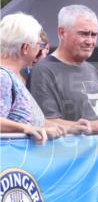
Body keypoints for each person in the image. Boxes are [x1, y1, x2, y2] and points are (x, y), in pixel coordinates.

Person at [28, 4, 98, 140]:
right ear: (62, 33)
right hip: (68, 157)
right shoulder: (43, 70)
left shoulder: (92, 70)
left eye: (94, 35)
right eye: (83, 34)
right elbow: (47, 123)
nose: (90, 41)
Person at [0, 13, 68, 143]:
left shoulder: (11, 76)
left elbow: (30, 120)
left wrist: (69, 128)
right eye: (39, 45)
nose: (41, 49)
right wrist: (25, 128)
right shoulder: (3, 77)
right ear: (25, 48)